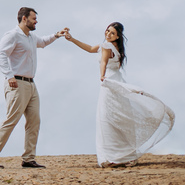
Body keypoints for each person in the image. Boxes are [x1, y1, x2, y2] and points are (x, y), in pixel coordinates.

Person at [63, 23, 174, 167]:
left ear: (117, 36)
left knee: (106, 118)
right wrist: (72, 39)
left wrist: (102, 75)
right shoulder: (117, 48)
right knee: (119, 117)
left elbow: (103, 62)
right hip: (118, 81)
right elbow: (90, 48)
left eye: (112, 33)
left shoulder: (106, 46)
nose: (108, 34)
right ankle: (124, 156)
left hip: (109, 82)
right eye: (107, 31)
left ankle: (112, 157)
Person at [0, 7, 67, 169]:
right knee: (12, 119)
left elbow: (43, 42)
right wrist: (9, 75)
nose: (36, 21)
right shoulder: (12, 35)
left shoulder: (31, 37)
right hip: (16, 83)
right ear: (24, 18)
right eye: (34, 18)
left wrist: (57, 35)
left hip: (31, 84)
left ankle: (28, 158)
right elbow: (0, 54)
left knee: (34, 120)